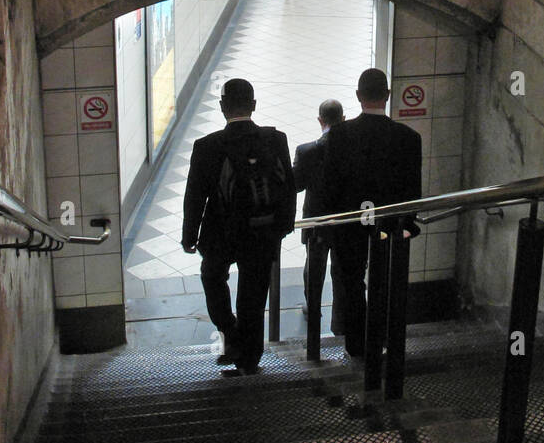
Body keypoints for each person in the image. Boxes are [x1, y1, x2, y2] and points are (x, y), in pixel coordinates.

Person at [181, 78, 296, 374]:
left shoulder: (206, 146)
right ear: (254, 105)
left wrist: (189, 236)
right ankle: (250, 358)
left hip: (221, 233)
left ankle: (229, 332)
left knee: (212, 276)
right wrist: (284, 226)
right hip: (263, 231)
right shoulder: (276, 139)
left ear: (222, 108)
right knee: (254, 293)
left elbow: (195, 195)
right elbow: (288, 187)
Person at [320, 68, 422, 359]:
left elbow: (330, 186)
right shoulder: (408, 138)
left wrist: (329, 224)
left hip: (350, 224)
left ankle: (357, 345)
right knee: (386, 280)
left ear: (357, 96)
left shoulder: (339, 135)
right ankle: (385, 340)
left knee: (352, 283)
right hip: (390, 225)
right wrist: (407, 224)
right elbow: (412, 191)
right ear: (388, 96)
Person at [292, 98, 344, 327]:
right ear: (343, 119)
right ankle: (340, 318)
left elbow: (296, 185)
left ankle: (312, 309)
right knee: (342, 269)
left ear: (320, 120)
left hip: (316, 219)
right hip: (346, 220)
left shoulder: (306, 151)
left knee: (314, 266)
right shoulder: (354, 148)